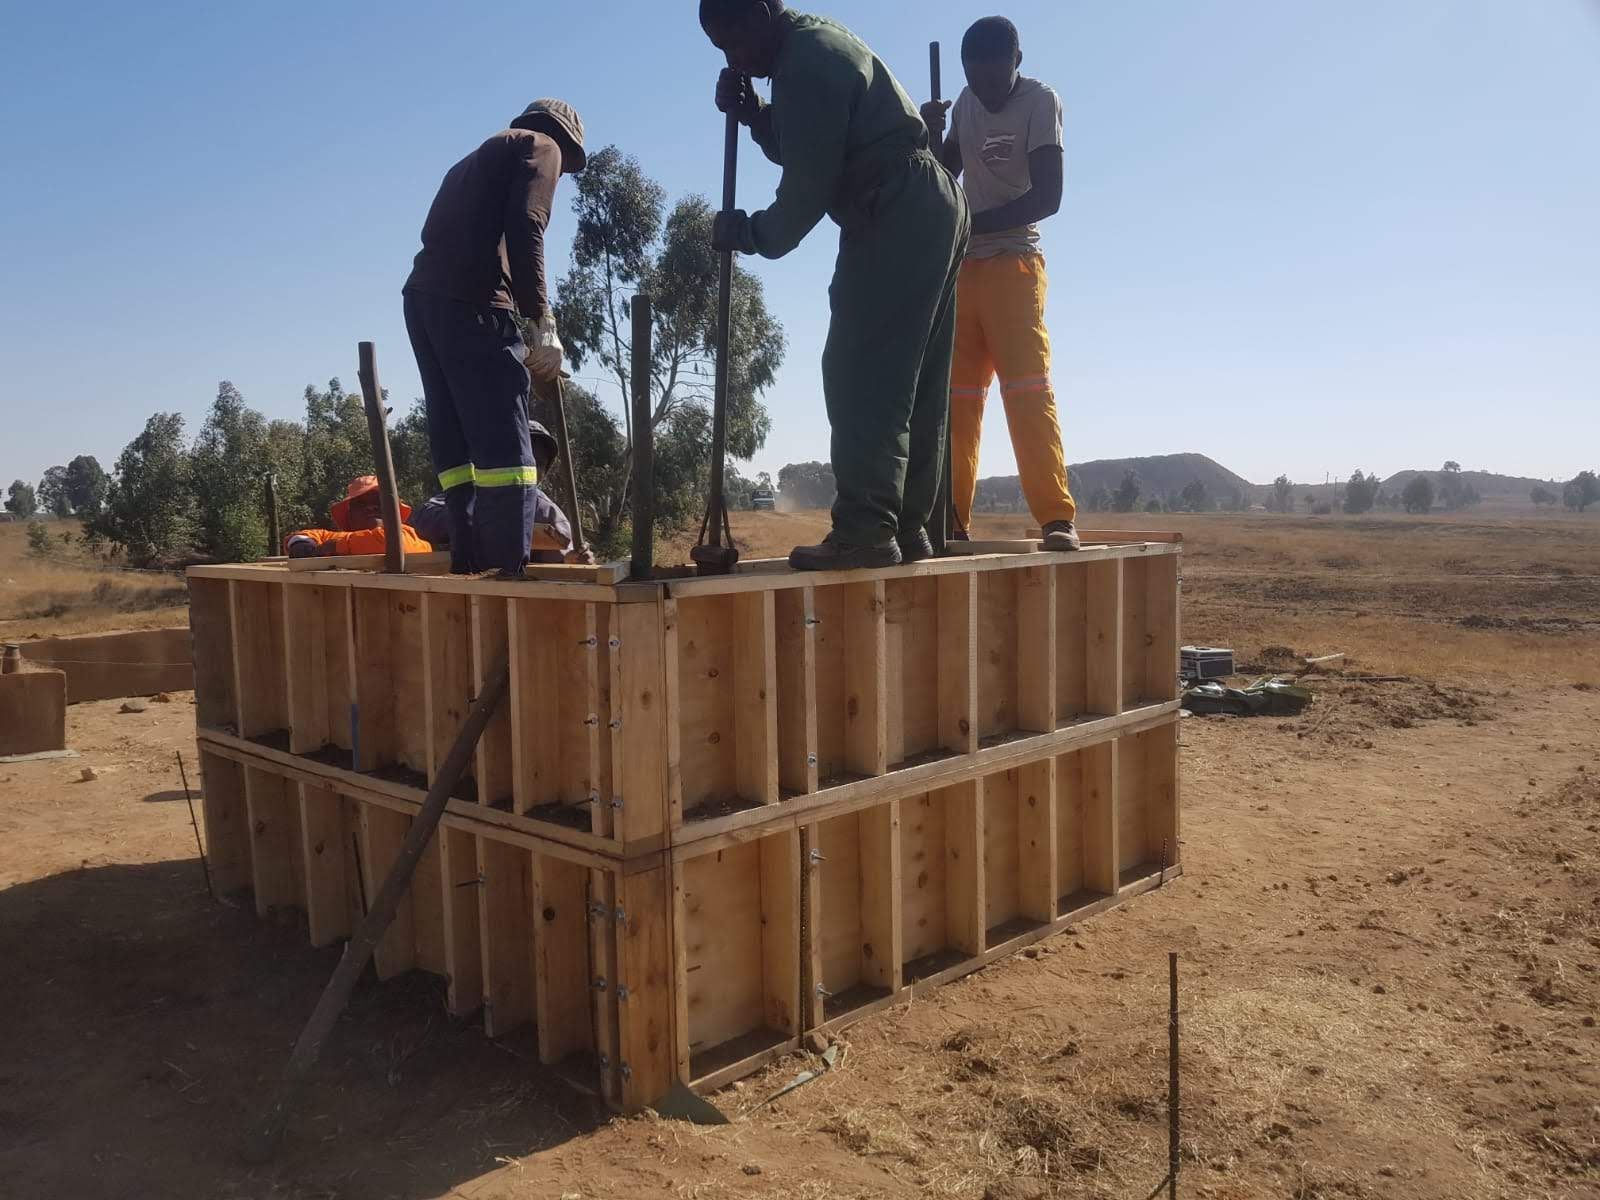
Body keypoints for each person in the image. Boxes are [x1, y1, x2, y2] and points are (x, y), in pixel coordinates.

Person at [700, 0, 970, 570]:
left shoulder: (806, 62)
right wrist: (757, 117)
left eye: (736, 41)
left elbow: (807, 187)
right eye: (721, 50)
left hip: (894, 206)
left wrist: (747, 232)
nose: (734, 58)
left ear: (764, 12)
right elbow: (816, 139)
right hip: (931, 202)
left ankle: (867, 532)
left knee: (860, 371)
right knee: (914, 377)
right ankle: (911, 528)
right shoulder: (815, 43)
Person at [402, 99, 587, 577]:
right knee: (509, 456)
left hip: (425, 302)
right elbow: (528, 225)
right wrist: (540, 320)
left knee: (458, 450)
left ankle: (469, 573)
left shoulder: (472, 161)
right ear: (565, 144)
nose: (560, 176)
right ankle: (507, 582)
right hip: (476, 303)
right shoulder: (541, 146)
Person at [922, 17, 1080, 551]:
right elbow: (940, 175)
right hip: (963, 273)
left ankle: (1056, 517)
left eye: (992, 79)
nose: (983, 91)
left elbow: (1048, 198)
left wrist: (973, 224)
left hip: (1014, 268)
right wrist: (929, 135)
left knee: (1027, 391)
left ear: (1016, 61)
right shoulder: (966, 102)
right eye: (974, 78)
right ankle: (949, 519)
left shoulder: (1039, 101)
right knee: (957, 402)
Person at [411, 421, 577, 564]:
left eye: (538, 463)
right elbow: (422, 517)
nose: (529, 468)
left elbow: (564, 562)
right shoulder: (472, 492)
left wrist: (575, 562)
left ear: (544, 473)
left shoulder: (547, 513)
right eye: (524, 458)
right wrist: (474, 521)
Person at [284, 476, 433, 559]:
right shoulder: (340, 536)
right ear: (348, 516)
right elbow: (307, 535)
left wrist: (336, 546)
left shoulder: (410, 536)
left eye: (378, 502)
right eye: (360, 504)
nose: (370, 507)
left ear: (395, 512)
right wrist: (299, 543)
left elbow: (392, 541)